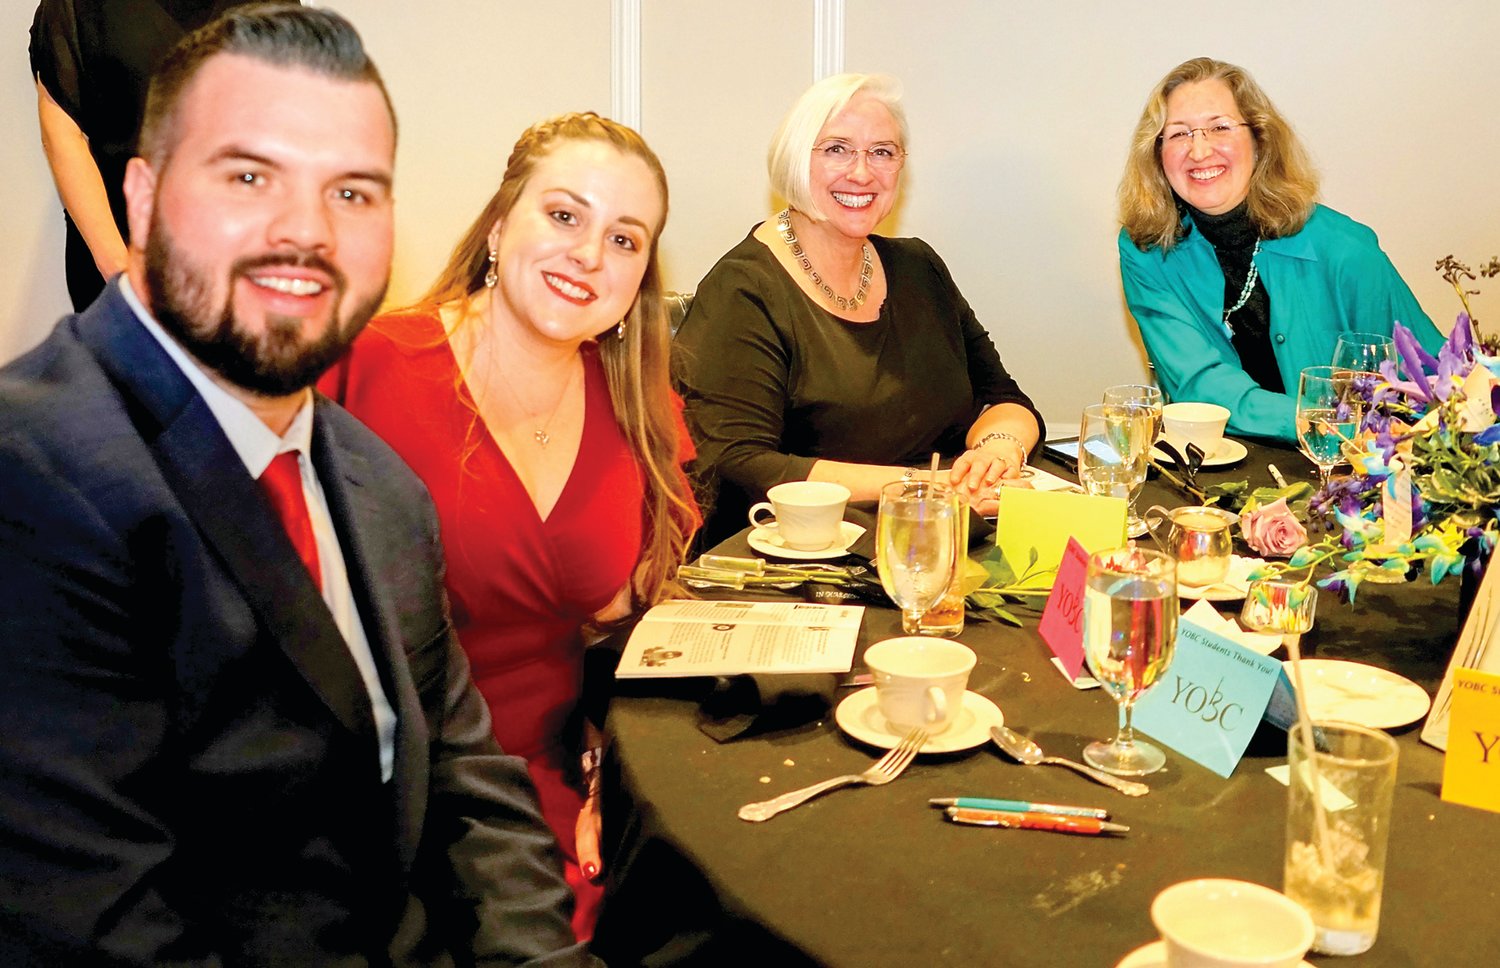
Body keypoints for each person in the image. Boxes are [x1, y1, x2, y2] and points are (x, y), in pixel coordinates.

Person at [0, 6, 596, 964]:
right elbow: (90, 930)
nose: (305, 232)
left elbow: (467, 785)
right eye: (248, 174)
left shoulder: (380, 484)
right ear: (142, 199)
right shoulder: (33, 480)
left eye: (353, 192)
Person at [320, 112, 700, 941]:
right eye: (564, 216)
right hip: (373, 793)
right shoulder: (368, 367)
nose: (590, 255)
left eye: (625, 239)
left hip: (545, 795)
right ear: (499, 226)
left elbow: (625, 639)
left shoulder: (641, 416)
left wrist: (609, 771)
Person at [675, 73, 1043, 546]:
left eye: (883, 152)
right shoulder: (744, 288)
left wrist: (996, 453)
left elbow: (1004, 398)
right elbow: (741, 462)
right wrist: (923, 488)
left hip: (947, 533)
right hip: (798, 560)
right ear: (794, 160)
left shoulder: (919, 267)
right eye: (836, 149)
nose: (862, 173)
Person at [1117, 56, 1445, 442]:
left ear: (1259, 140)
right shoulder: (1146, 250)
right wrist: (1320, 421)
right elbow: (1198, 384)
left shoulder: (1346, 249)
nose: (1200, 151)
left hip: (1351, 467)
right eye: (1179, 134)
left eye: (1219, 127)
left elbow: (1435, 376)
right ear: (1157, 155)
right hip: (1218, 468)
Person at [29, 0, 286, 310]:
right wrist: (120, 272)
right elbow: (62, 135)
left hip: (239, 253)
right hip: (119, 247)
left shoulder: (273, 6)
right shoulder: (74, 7)